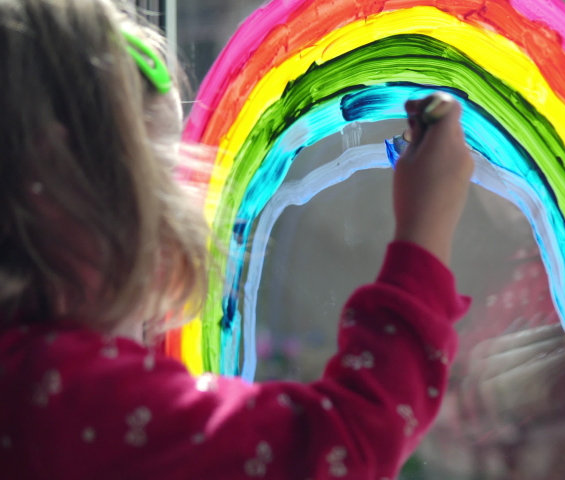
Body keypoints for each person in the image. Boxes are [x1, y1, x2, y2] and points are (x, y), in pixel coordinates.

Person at [0, 1, 474, 478]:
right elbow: (338, 444)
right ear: (61, 185)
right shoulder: (63, 396)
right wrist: (424, 234)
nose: (186, 206)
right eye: (160, 178)